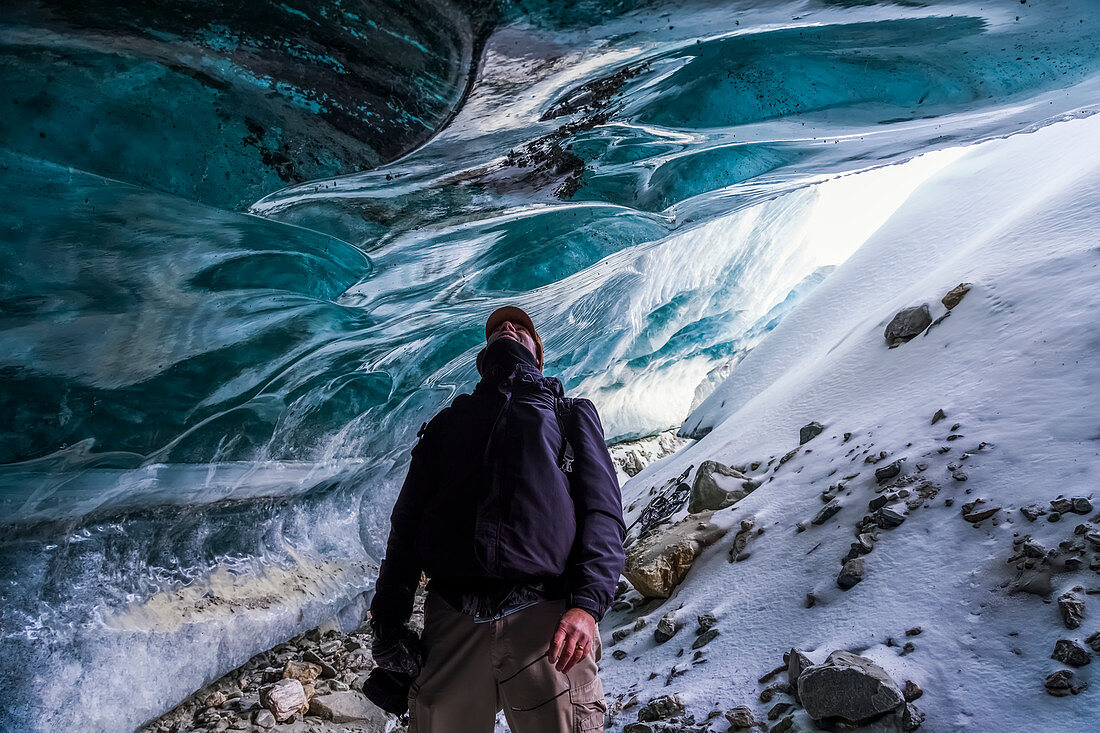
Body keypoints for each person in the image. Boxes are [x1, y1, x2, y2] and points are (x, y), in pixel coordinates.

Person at [366, 305, 626, 732]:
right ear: (482, 356)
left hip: (547, 618)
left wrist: (586, 607)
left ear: (538, 355)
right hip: (453, 617)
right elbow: (407, 524)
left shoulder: (569, 413)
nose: (508, 326)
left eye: (521, 327)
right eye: (499, 328)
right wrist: (389, 622)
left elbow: (603, 511)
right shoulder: (447, 424)